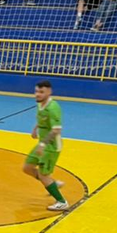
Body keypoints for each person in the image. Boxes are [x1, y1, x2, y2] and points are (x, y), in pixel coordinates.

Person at [22, 81, 69, 211]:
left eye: (41, 92)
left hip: (51, 146)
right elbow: (41, 118)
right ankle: (53, 184)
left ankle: (62, 202)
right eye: (36, 91)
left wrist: (43, 144)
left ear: (49, 92)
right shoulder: (40, 104)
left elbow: (56, 130)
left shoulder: (53, 108)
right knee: (27, 168)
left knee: (43, 175)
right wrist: (35, 129)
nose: (38, 94)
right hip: (42, 144)